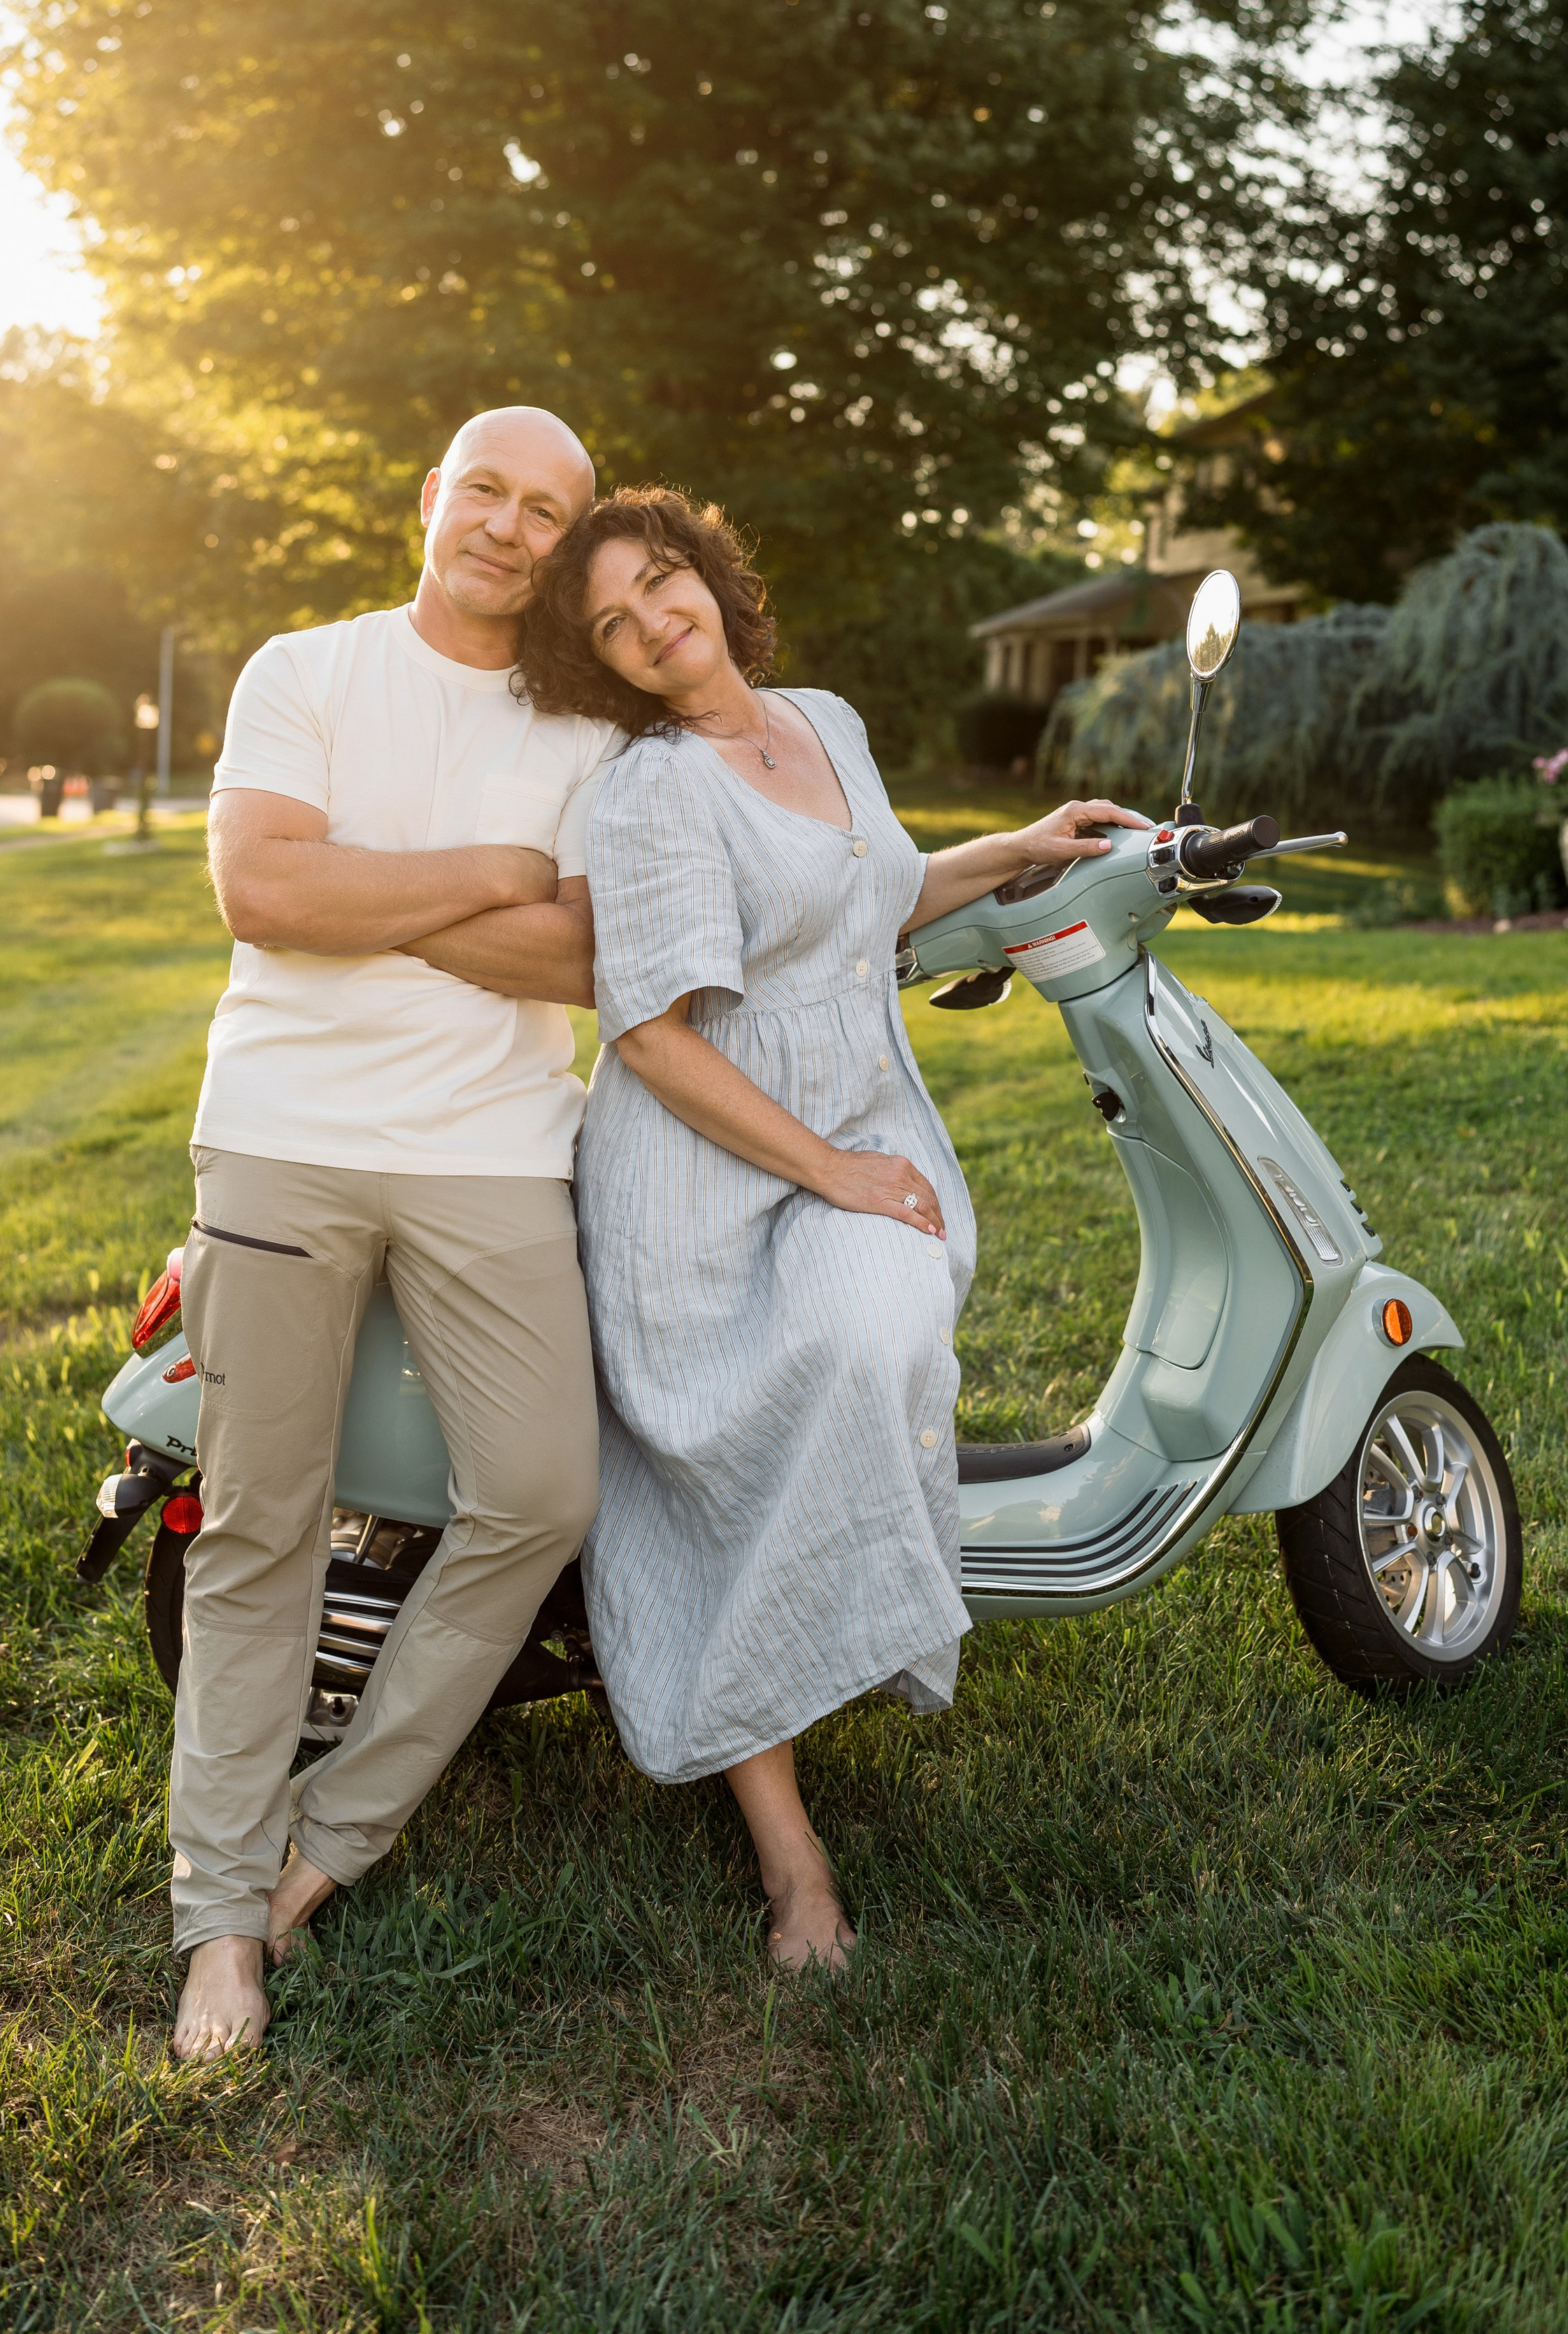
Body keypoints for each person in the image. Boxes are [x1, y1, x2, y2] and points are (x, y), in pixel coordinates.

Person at [522, 487, 1144, 1970]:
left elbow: (868, 905)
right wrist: (831, 1173)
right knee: (774, 1415)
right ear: (603, 661)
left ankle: (820, 1636)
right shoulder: (651, 787)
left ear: (711, 579)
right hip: (699, 1181)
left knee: (872, 1338)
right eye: (613, 623)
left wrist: (1019, 847)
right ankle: (788, 1852)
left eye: (660, 585)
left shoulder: (822, 721)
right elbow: (657, 1039)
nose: (651, 625)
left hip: (842, 1142)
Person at [171, 405, 622, 2061]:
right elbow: (264, 898)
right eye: (487, 490)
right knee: (260, 1531)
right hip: (280, 1138)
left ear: (566, 546)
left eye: (547, 511)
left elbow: (586, 960)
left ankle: (332, 1835)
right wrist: (491, 871)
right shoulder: (307, 669)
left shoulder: (588, 726)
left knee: (541, 1493)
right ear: (432, 498)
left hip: (497, 1152)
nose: (509, 525)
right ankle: (218, 1919)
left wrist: (382, 889)